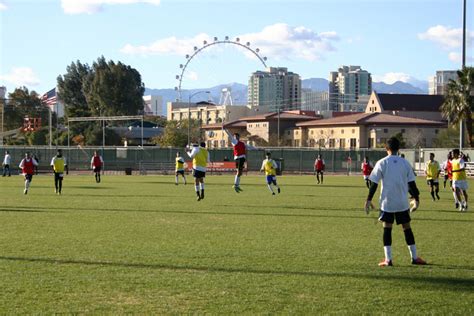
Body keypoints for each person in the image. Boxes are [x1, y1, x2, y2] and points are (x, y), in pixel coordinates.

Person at [365, 137, 426, 267]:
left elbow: (374, 183)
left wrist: (368, 199)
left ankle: (388, 259)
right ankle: (414, 257)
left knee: (387, 228)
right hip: (402, 202)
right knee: (407, 228)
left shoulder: (382, 163)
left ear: (386, 149)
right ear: (399, 149)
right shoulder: (405, 163)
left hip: (387, 203)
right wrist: (416, 199)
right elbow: (411, 184)